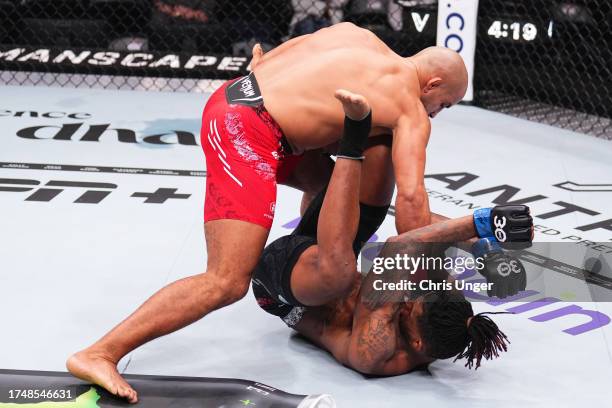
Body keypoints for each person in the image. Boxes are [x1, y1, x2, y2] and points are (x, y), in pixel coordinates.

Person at [67, 22, 468, 402]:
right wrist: (428, 278)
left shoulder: (357, 36)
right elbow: (412, 203)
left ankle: (307, 251)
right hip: (249, 131)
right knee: (226, 280)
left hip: (240, 97)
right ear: (432, 84)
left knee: (344, 175)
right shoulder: (409, 110)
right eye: (443, 103)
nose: (437, 112)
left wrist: (264, 68)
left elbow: (281, 55)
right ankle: (100, 352)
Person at [253, 92, 533, 374]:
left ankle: (345, 139)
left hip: (282, 285)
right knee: (381, 148)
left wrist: (481, 222)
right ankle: (299, 123)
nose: (408, 302)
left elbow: (399, 245)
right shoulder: (438, 309)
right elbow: (424, 231)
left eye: (410, 309)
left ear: (417, 343)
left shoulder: (375, 349)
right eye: (417, 298)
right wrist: (484, 250)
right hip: (326, 252)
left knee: (341, 273)